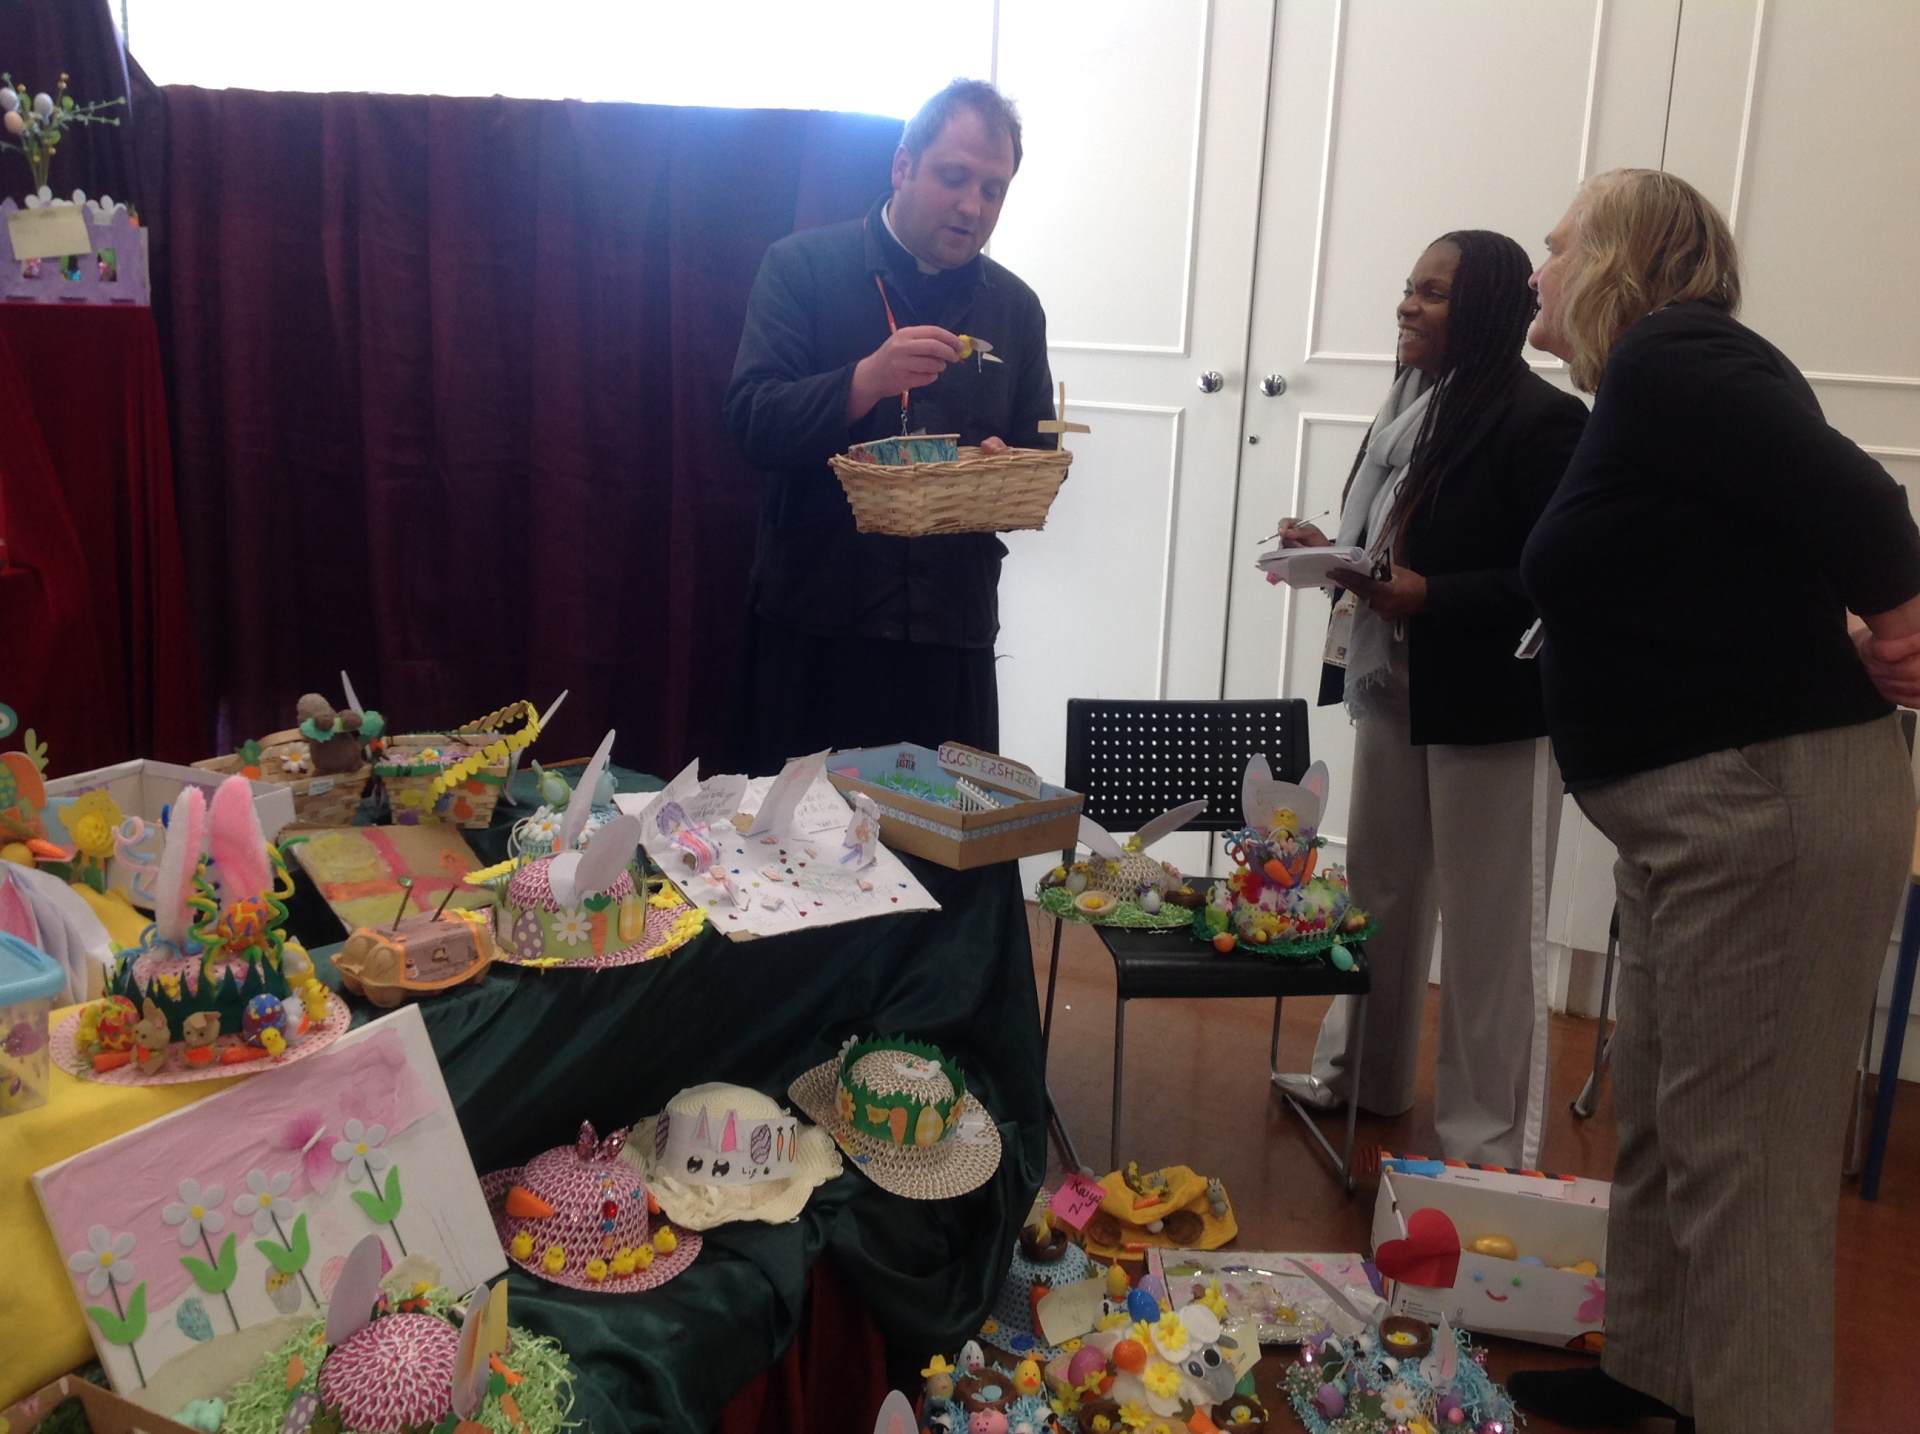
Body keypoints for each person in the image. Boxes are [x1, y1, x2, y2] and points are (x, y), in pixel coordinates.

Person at [1509, 168, 1920, 1433]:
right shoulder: (1665, 389)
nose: (1536, 269)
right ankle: (1654, 1369)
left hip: (1760, 818)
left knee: (1746, 1170)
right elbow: (1750, 558)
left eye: (1559, 244)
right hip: (1706, 820)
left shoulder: (1675, 353)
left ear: (1621, 259)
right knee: (1668, 1119)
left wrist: (1904, 619)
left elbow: (1865, 505)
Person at [1271, 231, 1587, 1169]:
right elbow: (1397, 546)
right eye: (1410, 287)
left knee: (1490, 932)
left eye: (1435, 293)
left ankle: (1484, 1144)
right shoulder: (1406, 410)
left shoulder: (1544, 422)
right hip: (1396, 686)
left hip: (1493, 706)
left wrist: (1429, 595)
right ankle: (1361, 1077)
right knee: (1379, 892)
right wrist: (1336, 554)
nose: (1408, 305)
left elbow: (1553, 584)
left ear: (1486, 309)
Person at [723, 80, 1057, 772]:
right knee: (796, 838)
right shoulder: (801, 268)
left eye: (993, 190)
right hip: (816, 626)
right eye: (954, 177)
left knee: (945, 837)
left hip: (951, 633)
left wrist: (1002, 461)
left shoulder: (1016, 308)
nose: (973, 206)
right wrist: (863, 381)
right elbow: (752, 422)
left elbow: (1035, 446)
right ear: (903, 166)